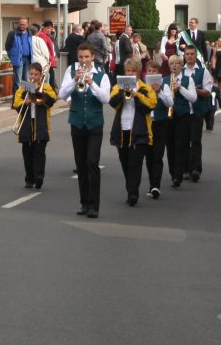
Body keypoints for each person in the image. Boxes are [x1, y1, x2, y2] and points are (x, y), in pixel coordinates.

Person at [59, 42, 111, 218]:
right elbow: (62, 95)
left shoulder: (102, 75)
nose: (83, 60)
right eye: (81, 57)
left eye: (87, 57)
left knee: (92, 163)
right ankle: (84, 203)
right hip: (77, 123)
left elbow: (106, 99)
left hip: (95, 124)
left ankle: (94, 205)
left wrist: (92, 83)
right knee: (81, 165)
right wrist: (75, 80)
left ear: (93, 57)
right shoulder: (71, 71)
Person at [108, 58, 158, 207]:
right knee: (125, 163)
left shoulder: (145, 88)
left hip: (139, 131)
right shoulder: (118, 87)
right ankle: (130, 189)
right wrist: (122, 92)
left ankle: (133, 193)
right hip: (122, 131)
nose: (130, 73)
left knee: (135, 164)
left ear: (138, 73)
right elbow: (112, 103)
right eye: (128, 71)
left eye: (133, 71)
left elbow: (150, 106)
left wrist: (136, 95)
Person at [171, 45, 212, 184]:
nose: (189, 56)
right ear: (184, 56)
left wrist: (194, 90)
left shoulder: (203, 71)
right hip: (182, 112)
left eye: (192, 54)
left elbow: (207, 92)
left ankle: (196, 169)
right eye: (187, 54)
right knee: (183, 141)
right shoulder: (180, 72)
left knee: (195, 140)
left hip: (197, 111)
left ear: (196, 55)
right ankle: (185, 169)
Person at [13, 62, 56, 189]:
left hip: (41, 125)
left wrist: (40, 93)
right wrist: (25, 102)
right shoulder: (23, 87)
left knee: (39, 153)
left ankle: (39, 177)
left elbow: (52, 100)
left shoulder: (46, 87)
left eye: (36, 74)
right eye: (31, 74)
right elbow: (16, 104)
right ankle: (29, 178)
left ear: (41, 76)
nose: (33, 76)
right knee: (27, 153)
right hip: (26, 124)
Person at [146, 57, 177, 200]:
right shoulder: (143, 86)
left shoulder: (164, 85)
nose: (151, 73)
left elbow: (170, 102)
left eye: (154, 71)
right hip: (147, 124)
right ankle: (151, 184)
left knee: (157, 155)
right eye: (149, 71)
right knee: (149, 156)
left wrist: (159, 91)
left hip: (160, 123)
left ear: (158, 73)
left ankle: (156, 186)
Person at [5, 17, 32, 89]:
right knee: (18, 81)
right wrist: (12, 57)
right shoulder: (12, 33)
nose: (21, 26)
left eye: (23, 24)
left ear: (27, 24)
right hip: (18, 59)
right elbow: (7, 47)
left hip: (28, 59)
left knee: (27, 80)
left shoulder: (29, 33)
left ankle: (27, 95)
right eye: (20, 24)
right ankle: (17, 95)